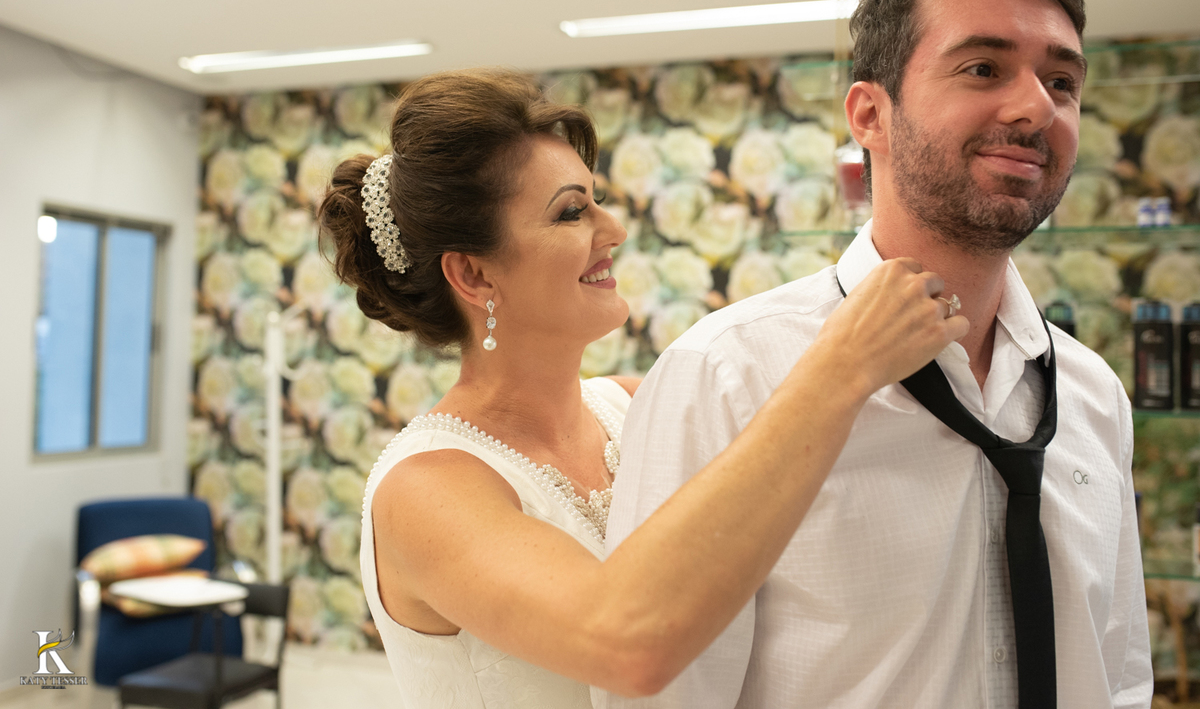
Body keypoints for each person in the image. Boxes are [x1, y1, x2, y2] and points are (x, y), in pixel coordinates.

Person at [602, 0, 1152, 709]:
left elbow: (1119, 672)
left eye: (1062, 81)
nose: (1036, 106)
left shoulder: (1093, 394)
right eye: (983, 68)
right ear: (870, 114)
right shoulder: (726, 375)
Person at [317, 69, 965, 708]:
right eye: (571, 211)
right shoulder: (426, 489)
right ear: (473, 273)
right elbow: (626, 644)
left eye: (595, 200)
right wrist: (842, 367)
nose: (614, 229)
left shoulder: (636, 403)